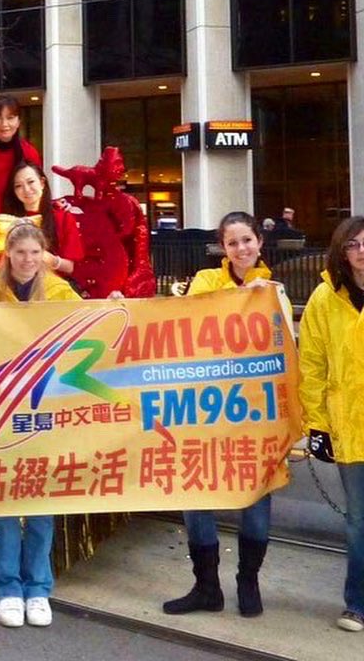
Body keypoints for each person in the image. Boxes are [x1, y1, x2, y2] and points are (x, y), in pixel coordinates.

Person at [0, 222, 82, 628]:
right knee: (4, 502)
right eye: (20, 253)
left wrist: (116, 301)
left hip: (46, 407)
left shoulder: (59, 291)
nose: (28, 260)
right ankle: (8, 588)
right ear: (8, 256)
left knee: (41, 505)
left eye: (35, 253)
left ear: (44, 254)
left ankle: (39, 588)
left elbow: (91, 321)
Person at [162, 211, 274, 618]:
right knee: (196, 495)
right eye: (232, 243)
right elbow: (193, 317)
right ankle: (206, 585)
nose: (241, 249)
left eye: (247, 240)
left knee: (256, 500)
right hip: (205, 409)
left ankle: (249, 580)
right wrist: (245, 298)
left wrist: (263, 296)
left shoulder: (275, 288)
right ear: (222, 248)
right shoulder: (208, 280)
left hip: (255, 411)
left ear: (259, 242)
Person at [298, 216, 364, 633]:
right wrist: (317, 426)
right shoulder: (325, 298)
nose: (361, 252)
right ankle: (356, 602)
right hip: (348, 426)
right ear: (342, 251)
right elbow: (313, 365)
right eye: (353, 245)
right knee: (358, 520)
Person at [3, 162, 84, 281]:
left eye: (31, 182)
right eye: (18, 186)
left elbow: (70, 267)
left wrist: (47, 258)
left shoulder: (63, 217)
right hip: (17, 285)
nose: (26, 189)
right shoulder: (7, 220)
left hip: (54, 288)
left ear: (42, 183)